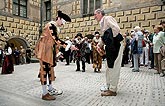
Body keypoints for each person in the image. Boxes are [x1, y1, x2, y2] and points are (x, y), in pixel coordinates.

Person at [35, 10, 71, 100]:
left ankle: (50, 88)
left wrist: (57, 53)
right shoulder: (51, 25)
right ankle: (44, 93)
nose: (63, 24)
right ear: (59, 18)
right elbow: (55, 39)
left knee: (50, 71)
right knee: (44, 71)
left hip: (49, 52)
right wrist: (68, 45)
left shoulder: (54, 27)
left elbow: (54, 43)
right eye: (63, 22)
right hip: (44, 52)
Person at [94, 9, 124, 96]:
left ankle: (113, 89)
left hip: (116, 45)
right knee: (108, 66)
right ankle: (109, 85)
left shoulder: (107, 18)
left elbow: (116, 29)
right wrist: (99, 45)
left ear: (100, 13)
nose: (94, 17)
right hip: (111, 46)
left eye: (95, 14)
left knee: (114, 67)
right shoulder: (102, 23)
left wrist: (110, 41)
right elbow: (104, 36)